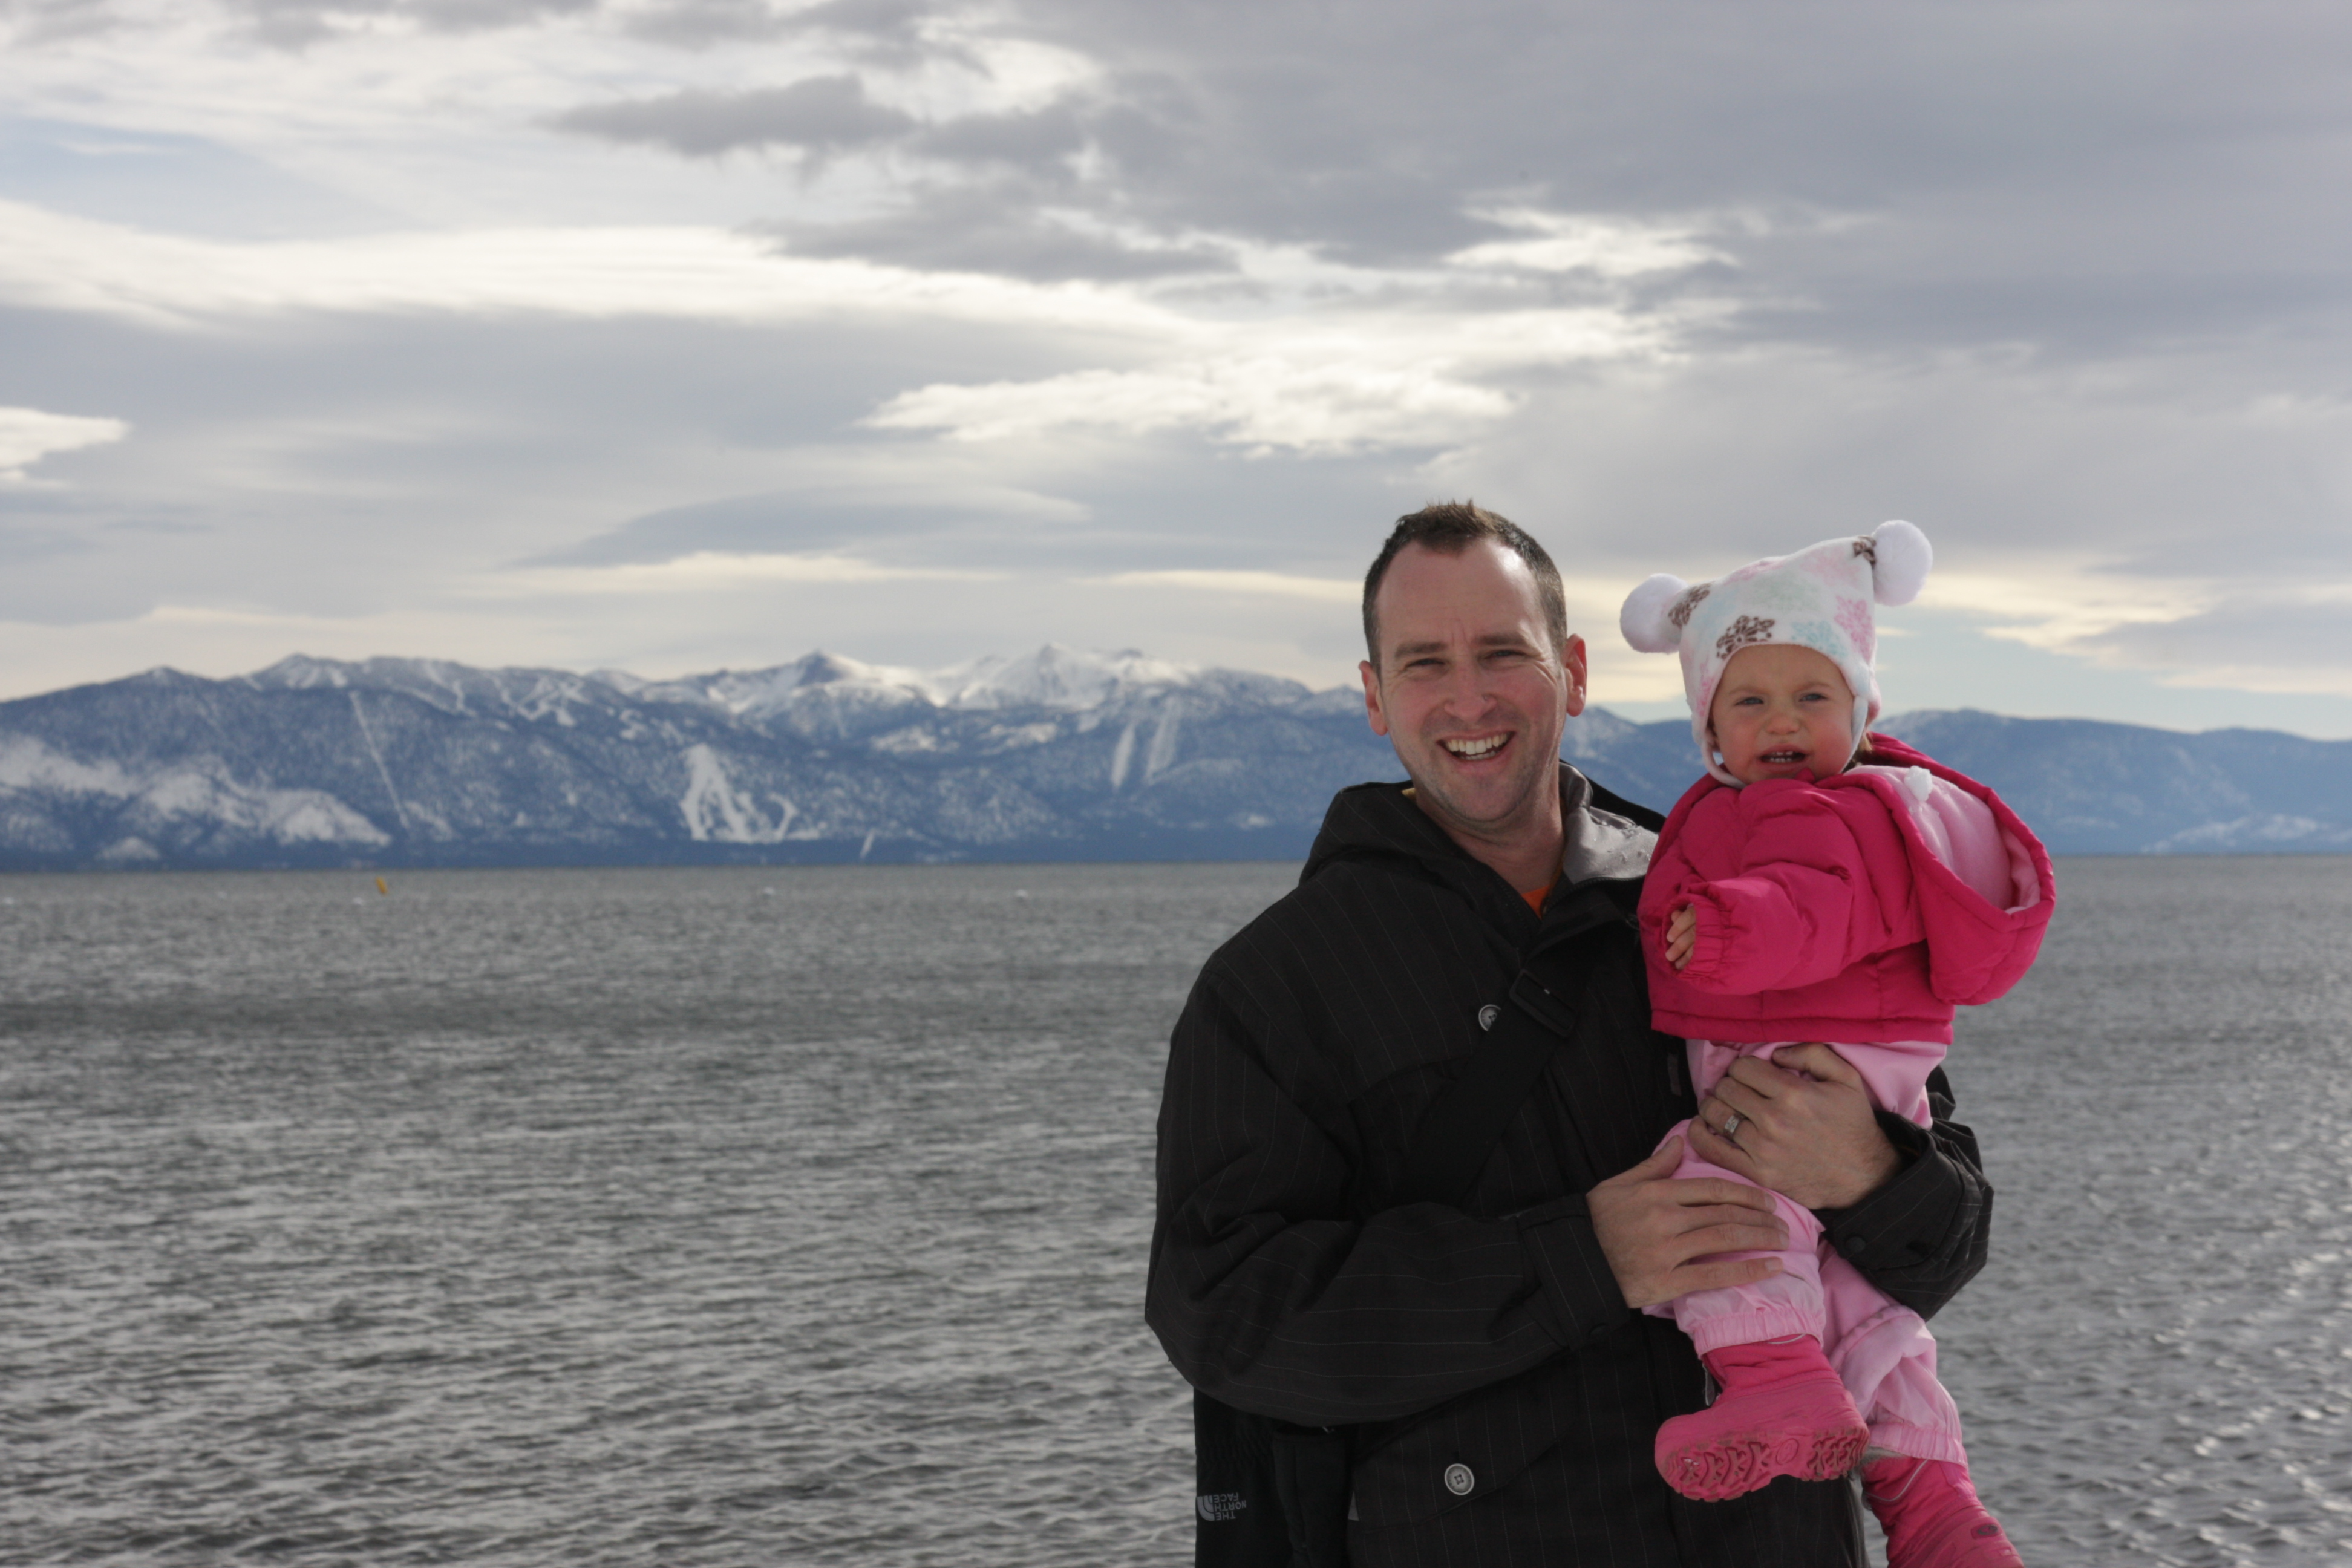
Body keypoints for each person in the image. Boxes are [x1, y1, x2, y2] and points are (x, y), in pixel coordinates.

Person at [1147, 503, 1997, 1566]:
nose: (1470, 697)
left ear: (1575, 672)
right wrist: (1580, 1261)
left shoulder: (1745, 894)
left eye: (1504, 652)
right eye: (1425, 663)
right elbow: (1223, 1316)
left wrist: (1873, 1175)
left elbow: (1952, 1241)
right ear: (1374, 695)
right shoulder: (1277, 985)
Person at [1616, 521, 2053, 1568]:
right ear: (1709, 729)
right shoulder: (1838, 806)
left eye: (1812, 696)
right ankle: (1937, 1509)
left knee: (1718, 1197)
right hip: (1864, 1067)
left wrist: (1730, 930)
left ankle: (1773, 1381)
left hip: (1799, 1060)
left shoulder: (1826, 811)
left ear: (1862, 714)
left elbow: (1816, 902)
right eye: (1750, 701)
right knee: (1865, 1304)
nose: (1782, 720)